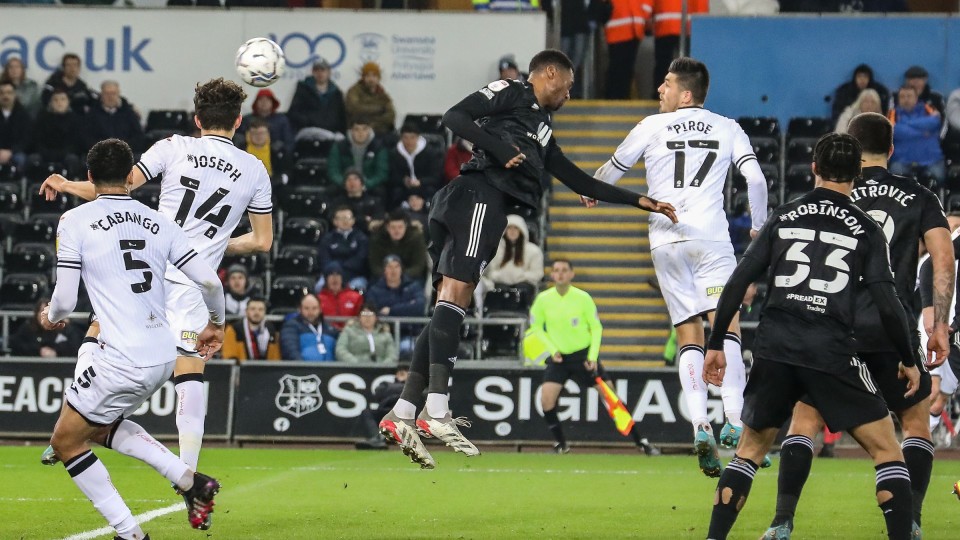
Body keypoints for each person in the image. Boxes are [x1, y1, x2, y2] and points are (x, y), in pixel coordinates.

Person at [377, 49, 676, 469]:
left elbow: (577, 179)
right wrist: (498, 148)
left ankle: (403, 413)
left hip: (475, 203)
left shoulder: (541, 127)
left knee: (447, 305)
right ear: (549, 73)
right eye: (568, 85)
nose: (569, 95)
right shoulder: (514, 91)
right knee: (456, 298)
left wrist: (640, 200)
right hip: (478, 195)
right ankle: (437, 409)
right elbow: (454, 117)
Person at [39, 78, 274, 489]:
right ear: (238, 121)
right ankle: (188, 475)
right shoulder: (255, 169)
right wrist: (215, 246)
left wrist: (65, 184)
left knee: (97, 334)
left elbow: (116, 188)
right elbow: (262, 241)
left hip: (148, 268)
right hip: (196, 280)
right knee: (190, 371)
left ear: (197, 118)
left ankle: (69, 428)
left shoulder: (174, 146)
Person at [703, 133, 921, 540]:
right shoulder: (867, 229)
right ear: (857, 174)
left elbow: (737, 281)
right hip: (829, 350)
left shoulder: (783, 216)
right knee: (887, 450)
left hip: (776, 347)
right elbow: (888, 302)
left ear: (814, 169)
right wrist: (908, 357)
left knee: (749, 450)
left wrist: (715, 343)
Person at [760, 113, 954, 540]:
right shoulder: (919, 196)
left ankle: (781, 521)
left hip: (832, 327)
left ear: (846, 144)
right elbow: (943, 258)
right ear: (892, 149)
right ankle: (911, 519)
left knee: (805, 421)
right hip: (891, 327)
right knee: (915, 424)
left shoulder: (827, 193)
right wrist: (940, 324)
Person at [41, 138, 225, 538]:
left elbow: (65, 301)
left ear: (89, 177)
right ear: (130, 176)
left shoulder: (75, 221)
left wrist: (49, 315)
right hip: (163, 355)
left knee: (66, 441)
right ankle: (191, 480)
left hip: (122, 356)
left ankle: (131, 533)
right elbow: (210, 281)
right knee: (100, 427)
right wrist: (216, 323)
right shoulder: (160, 221)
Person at [594, 57, 768, 477]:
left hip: (665, 241)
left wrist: (591, 192)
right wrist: (759, 227)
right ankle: (733, 418)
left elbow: (610, 173)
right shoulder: (728, 127)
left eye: (667, 84)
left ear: (685, 94)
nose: (660, 90)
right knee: (725, 326)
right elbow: (757, 180)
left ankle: (698, 424)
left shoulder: (651, 126)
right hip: (710, 240)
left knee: (688, 334)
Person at [530, 259, 660, 455]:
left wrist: (592, 356)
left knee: (611, 397)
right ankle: (561, 444)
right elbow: (536, 327)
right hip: (559, 358)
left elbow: (596, 327)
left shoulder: (583, 298)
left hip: (583, 356)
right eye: (556, 270)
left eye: (564, 270)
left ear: (571, 274)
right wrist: (551, 349)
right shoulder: (543, 299)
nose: (560, 274)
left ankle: (640, 441)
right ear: (552, 275)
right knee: (546, 400)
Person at [476, 214, 543, 313]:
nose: (512, 231)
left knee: (522, 289)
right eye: (509, 228)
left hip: (523, 286)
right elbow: (489, 272)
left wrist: (519, 276)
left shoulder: (533, 251)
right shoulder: (496, 250)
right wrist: (501, 276)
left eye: (516, 228)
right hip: (499, 285)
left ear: (521, 230)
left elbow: (537, 274)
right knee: (498, 290)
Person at [888, 85, 945, 187]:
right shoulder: (893, 113)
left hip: (931, 159)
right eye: (902, 97)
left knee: (940, 178)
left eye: (909, 96)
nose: (906, 99)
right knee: (893, 180)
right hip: (902, 160)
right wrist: (923, 132)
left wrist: (906, 124)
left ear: (916, 98)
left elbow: (935, 122)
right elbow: (895, 131)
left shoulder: (928, 108)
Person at [651, 0, 709, 100]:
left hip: (664, 24)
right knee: (687, 67)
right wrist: (700, 23)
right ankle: (687, 95)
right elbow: (701, 6)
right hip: (687, 26)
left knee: (663, 63)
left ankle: (661, 95)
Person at [27, 87, 83, 177]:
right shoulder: (42, 119)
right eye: (55, 100)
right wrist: (46, 153)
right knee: (33, 160)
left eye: (62, 99)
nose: (59, 103)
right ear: (50, 103)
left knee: (73, 160)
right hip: (44, 153)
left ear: (68, 102)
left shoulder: (75, 120)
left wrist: (62, 154)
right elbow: (36, 141)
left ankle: (72, 188)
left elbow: (76, 143)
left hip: (66, 154)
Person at [602, 0, 652, 99]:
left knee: (626, 68)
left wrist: (644, 14)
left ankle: (621, 96)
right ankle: (614, 97)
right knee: (617, 67)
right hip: (619, 27)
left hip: (633, 27)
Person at [387, 122, 443, 207]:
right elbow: (392, 174)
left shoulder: (431, 152)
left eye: (412, 137)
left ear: (418, 137)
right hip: (404, 186)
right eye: (405, 138)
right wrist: (403, 180)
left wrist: (421, 182)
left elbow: (436, 176)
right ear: (401, 138)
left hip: (424, 185)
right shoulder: (394, 153)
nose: (409, 141)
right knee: (394, 191)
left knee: (432, 191)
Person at [288, 58, 347, 136]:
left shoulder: (336, 93)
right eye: (316, 70)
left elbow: (342, 117)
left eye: (323, 70)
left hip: (331, 134)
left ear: (329, 72)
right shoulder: (303, 89)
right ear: (312, 72)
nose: (320, 73)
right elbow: (293, 112)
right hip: (308, 133)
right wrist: (309, 121)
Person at [327, 118, 389, 192]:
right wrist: (346, 184)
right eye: (357, 129)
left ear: (369, 130)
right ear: (351, 131)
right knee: (332, 190)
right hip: (344, 185)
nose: (361, 133)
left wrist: (366, 184)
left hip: (369, 186)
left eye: (364, 129)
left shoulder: (379, 147)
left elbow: (382, 174)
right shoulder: (339, 146)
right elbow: (333, 171)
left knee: (381, 191)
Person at [83, 81, 145, 153]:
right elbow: (86, 137)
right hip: (100, 154)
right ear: (101, 95)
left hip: (125, 153)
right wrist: (102, 148)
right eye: (107, 93)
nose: (110, 97)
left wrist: (123, 147)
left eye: (113, 93)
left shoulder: (129, 112)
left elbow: (138, 136)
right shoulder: (92, 114)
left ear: (118, 94)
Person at [356, 364, 409, 450]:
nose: (401, 373)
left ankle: (381, 438)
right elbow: (379, 393)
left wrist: (391, 396)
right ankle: (377, 438)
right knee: (367, 412)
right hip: (386, 412)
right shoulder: (386, 384)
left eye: (405, 372)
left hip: (403, 417)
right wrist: (399, 392)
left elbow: (412, 396)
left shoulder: (415, 386)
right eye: (399, 372)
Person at [8, 298, 82, 357]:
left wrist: (55, 351)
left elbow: (75, 345)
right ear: (36, 314)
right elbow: (15, 343)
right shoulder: (28, 328)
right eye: (41, 311)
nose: (44, 315)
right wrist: (39, 350)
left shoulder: (64, 328)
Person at [319, 207, 370, 291]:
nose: (345, 221)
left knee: (358, 288)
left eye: (347, 218)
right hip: (331, 275)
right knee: (319, 287)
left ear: (353, 220)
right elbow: (325, 260)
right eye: (341, 218)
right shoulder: (327, 239)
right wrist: (335, 271)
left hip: (354, 276)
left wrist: (341, 270)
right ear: (335, 221)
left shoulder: (362, 238)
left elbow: (360, 259)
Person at [368, 210, 428, 281]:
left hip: (410, 277)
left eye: (400, 227)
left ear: (406, 226)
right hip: (383, 277)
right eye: (393, 227)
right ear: (387, 228)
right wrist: (390, 276)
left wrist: (399, 276)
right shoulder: (377, 239)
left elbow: (418, 265)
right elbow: (375, 265)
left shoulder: (416, 238)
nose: (397, 231)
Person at [366, 254, 426, 320]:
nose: (393, 271)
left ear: (401, 269)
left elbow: (419, 307)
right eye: (390, 267)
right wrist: (408, 306)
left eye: (396, 266)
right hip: (385, 328)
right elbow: (371, 313)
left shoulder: (414, 287)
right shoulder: (374, 291)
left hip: (412, 328)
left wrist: (391, 310)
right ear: (384, 270)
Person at [345, 62, 396, 137]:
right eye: (368, 76)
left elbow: (391, 114)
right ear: (363, 77)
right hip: (359, 133)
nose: (371, 79)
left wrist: (374, 124)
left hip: (380, 131)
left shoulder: (382, 94)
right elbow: (355, 109)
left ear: (379, 78)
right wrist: (378, 109)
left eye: (374, 76)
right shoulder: (354, 91)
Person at [221, 297, 280, 361]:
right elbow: (229, 356)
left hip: (266, 369)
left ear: (265, 312)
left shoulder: (270, 329)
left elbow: (275, 357)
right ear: (246, 311)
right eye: (253, 309)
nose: (256, 312)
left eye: (260, 309)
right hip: (241, 369)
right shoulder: (234, 329)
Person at [280, 294, 336, 361]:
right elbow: (290, 350)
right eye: (306, 308)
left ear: (320, 309)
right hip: (304, 369)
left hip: (331, 369)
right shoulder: (291, 326)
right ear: (300, 309)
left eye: (314, 308)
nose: (310, 312)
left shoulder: (330, 329)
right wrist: (303, 368)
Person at [327, 168, 386, 232]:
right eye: (349, 179)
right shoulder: (338, 202)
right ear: (344, 185)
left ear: (362, 183)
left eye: (355, 179)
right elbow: (332, 218)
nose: (352, 182)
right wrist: (363, 219)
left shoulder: (374, 201)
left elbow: (379, 219)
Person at [317, 262, 364, 330]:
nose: (335, 278)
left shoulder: (356, 297)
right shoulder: (319, 299)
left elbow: (361, 319)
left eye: (338, 274)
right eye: (331, 274)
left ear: (342, 278)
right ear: (326, 279)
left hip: (350, 333)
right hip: (327, 334)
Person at [0, 80, 31, 169]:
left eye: (9, 93)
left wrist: (11, 151)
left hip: (16, 152)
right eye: (2, 93)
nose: (5, 96)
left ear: (15, 95)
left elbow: (27, 139)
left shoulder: (24, 115)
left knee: (21, 159)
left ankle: (20, 182)